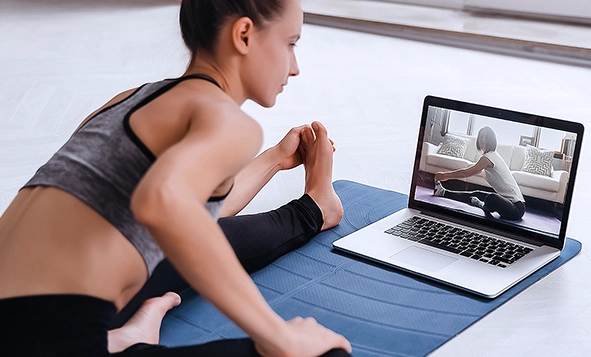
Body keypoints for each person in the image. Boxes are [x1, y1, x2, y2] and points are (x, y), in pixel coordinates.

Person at [0, 0, 352, 356]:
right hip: (45, 341)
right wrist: (282, 337)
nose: (295, 68)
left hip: (24, 313)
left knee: (197, 240)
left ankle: (315, 209)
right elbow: (162, 205)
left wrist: (274, 160)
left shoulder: (132, 99)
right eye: (290, 44)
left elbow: (188, 214)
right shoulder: (229, 121)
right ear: (244, 34)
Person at [433, 126, 526, 221]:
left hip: (517, 208)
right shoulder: (489, 156)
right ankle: (443, 192)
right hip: (506, 203)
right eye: (481, 137)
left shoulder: (489, 157)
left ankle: (483, 205)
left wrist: (445, 175)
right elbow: (472, 170)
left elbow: (467, 173)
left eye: (486, 138)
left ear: (492, 140)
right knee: (477, 193)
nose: (483, 140)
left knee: (491, 197)